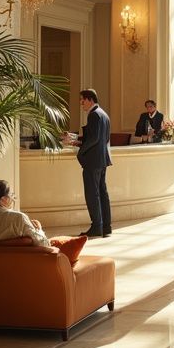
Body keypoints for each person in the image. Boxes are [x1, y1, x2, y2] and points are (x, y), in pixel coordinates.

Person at [73, 88, 112, 238]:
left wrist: (80, 149)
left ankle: (96, 227)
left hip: (92, 161)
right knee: (102, 193)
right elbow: (102, 138)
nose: (81, 104)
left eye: (82, 100)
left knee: (92, 194)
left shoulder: (94, 115)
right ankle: (106, 227)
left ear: (89, 99)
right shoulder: (104, 115)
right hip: (102, 160)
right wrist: (79, 140)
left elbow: (94, 139)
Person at [0, 179, 48, 246]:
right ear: (3, 200)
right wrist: (39, 228)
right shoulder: (18, 218)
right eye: (12, 195)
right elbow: (44, 244)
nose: (14, 199)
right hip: (17, 262)